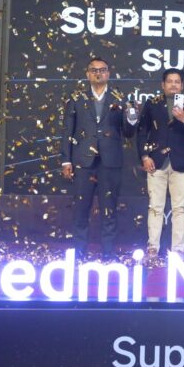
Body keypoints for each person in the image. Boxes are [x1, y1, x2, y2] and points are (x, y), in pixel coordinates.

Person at [61, 57, 137, 259]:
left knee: (109, 210)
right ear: (88, 74)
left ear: (108, 74)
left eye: (102, 70)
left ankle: (108, 255)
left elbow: (128, 132)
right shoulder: (77, 98)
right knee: (81, 210)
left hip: (110, 162)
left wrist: (132, 119)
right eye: (94, 70)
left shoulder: (120, 98)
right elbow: (68, 130)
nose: (98, 73)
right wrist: (66, 160)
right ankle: (79, 254)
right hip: (83, 162)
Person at [137, 68, 184, 261]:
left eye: (177, 82)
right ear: (163, 84)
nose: (173, 85)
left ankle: (178, 251)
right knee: (155, 207)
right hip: (155, 162)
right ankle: (152, 248)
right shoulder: (152, 103)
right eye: (170, 81)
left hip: (180, 163)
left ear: (182, 85)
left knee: (179, 208)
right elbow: (142, 132)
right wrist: (144, 156)